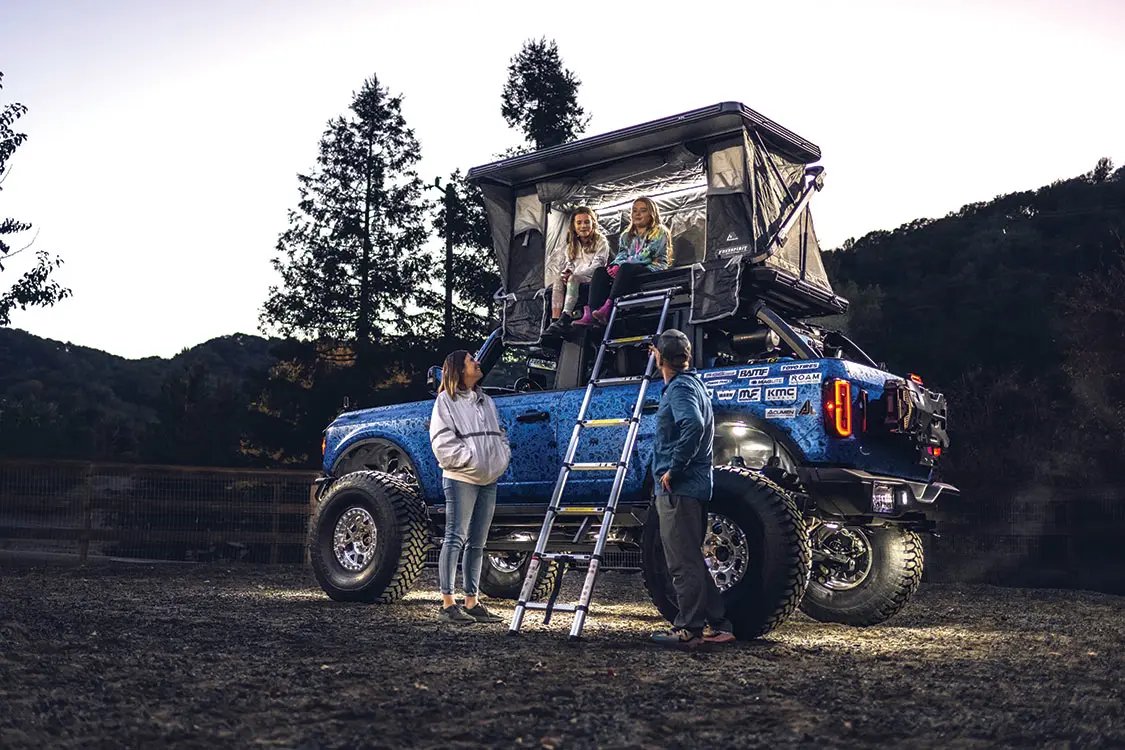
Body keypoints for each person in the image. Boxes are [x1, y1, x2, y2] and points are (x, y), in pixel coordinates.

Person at [648, 329, 735, 649]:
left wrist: (675, 468)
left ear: (659, 357)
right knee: (692, 559)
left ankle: (689, 629)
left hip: (680, 488)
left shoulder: (680, 388)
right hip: (694, 487)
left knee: (682, 562)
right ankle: (718, 625)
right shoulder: (693, 383)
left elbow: (694, 424)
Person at [429, 349, 512, 625]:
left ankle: (472, 602)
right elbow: (441, 442)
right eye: (470, 361)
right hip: (461, 478)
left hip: (489, 479)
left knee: (478, 542)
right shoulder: (446, 401)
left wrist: (500, 458)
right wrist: (472, 460)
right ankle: (447, 604)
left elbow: (500, 433)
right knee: (455, 537)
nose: (477, 363)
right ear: (459, 370)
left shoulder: (486, 400)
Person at [574, 196, 673, 327]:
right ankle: (591, 312)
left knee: (626, 267)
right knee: (600, 271)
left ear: (651, 213)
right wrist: (615, 265)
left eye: (643, 211)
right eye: (634, 211)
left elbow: (646, 255)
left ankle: (608, 306)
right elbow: (622, 254)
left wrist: (621, 266)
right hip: (630, 268)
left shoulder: (659, 231)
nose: (637, 214)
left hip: (653, 266)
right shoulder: (627, 234)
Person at [544, 206, 611, 337]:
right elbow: (570, 264)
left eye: (586, 222)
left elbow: (598, 265)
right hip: (575, 277)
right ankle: (555, 320)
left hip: (593, 278)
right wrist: (567, 272)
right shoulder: (571, 245)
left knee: (574, 278)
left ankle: (566, 316)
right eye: (579, 223)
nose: (583, 226)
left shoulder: (601, 241)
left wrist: (575, 274)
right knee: (558, 280)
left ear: (593, 223)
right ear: (574, 226)